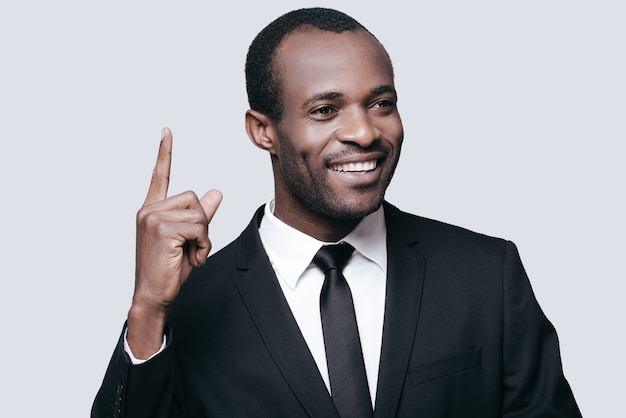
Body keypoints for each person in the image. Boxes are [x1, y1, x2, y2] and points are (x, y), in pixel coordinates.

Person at [92, 7, 581, 417]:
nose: (365, 132)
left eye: (381, 103)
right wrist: (149, 309)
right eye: (325, 110)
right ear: (263, 131)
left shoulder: (486, 275)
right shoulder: (189, 306)